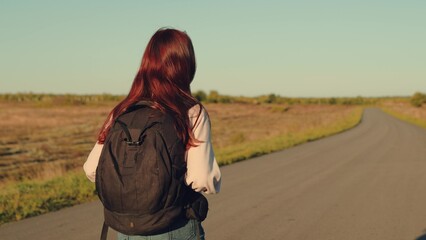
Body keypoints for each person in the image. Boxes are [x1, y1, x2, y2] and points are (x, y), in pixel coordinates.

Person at [83, 28, 221, 240]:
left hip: (126, 232)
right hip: (175, 228)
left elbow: (92, 169)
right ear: (186, 65)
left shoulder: (122, 111)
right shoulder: (191, 112)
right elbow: (202, 178)